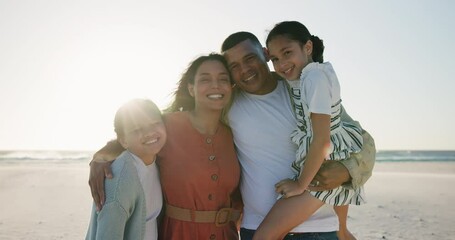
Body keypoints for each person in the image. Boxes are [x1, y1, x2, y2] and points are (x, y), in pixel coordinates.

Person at [221, 31, 375, 240]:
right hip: (255, 226)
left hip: (318, 230)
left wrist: (347, 170)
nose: (244, 69)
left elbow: (359, 140)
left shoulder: (302, 87)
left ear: (265, 54)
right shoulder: (227, 104)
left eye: (250, 58)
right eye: (234, 66)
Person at [89, 53, 242, 240]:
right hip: (178, 234)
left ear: (231, 86)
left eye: (223, 79)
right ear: (191, 89)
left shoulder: (234, 134)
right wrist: (99, 159)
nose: (215, 85)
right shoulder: (167, 126)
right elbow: (133, 138)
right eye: (205, 79)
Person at [86, 98, 166, 240]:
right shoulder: (119, 179)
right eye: (137, 129)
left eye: (154, 123)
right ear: (123, 140)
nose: (149, 133)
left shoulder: (155, 161)